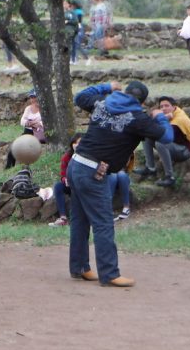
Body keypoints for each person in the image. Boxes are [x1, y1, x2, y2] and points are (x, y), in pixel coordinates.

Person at [69, 80, 173, 287]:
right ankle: (109, 274)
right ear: (142, 102)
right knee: (103, 223)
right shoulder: (139, 118)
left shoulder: (102, 102)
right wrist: (160, 116)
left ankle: (80, 267)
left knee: (80, 220)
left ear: (124, 92)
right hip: (93, 171)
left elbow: (79, 97)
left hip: (75, 164)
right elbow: (167, 137)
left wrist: (106, 86)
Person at [134, 96, 190, 187]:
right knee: (146, 136)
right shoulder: (170, 116)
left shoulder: (179, 120)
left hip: (185, 151)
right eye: (161, 106)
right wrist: (162, 118)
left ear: (174, 107)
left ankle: (170, 177)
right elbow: (150, 130)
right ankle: (150, 168)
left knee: (161, 143)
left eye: (167, 106)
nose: (163, 108)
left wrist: (162, 118)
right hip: (174, 146)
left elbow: (164, 135)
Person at [48, 133, 83, 227]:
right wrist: (65, 180)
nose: (77, 145)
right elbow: (63, 174)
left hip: (83, 185)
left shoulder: (88, 156)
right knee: (58, 186)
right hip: (70, 184)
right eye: (75, 143)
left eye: (79, 143)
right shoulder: (67, 157)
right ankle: (63, 217)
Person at [5, 90, 46, 169]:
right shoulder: (28, 108)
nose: (33, 99)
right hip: (28, 132)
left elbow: (46, 122)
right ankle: (9, 168)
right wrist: (28, 123)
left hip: (39, 133)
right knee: (13, 148)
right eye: (31, 97)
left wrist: (38, 123)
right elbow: (22, 121)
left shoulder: (44, 108)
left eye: (34, 97)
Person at [110, 153, 134, 221]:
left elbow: (128, 167)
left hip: (122, 173)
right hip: (107, 175)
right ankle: (108, 209)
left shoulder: (126, 149)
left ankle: (126, 208)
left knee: (122, 175)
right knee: (113, 176)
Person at [67, 0, 89, 66]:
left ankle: (86, 58)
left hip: (78, 28)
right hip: (74, 28)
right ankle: (73, 59)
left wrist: (78, 29)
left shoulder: (78, 12)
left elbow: (79, 21)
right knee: (74, 44)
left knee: (77, 44)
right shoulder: (73, 11)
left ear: (74, 5)